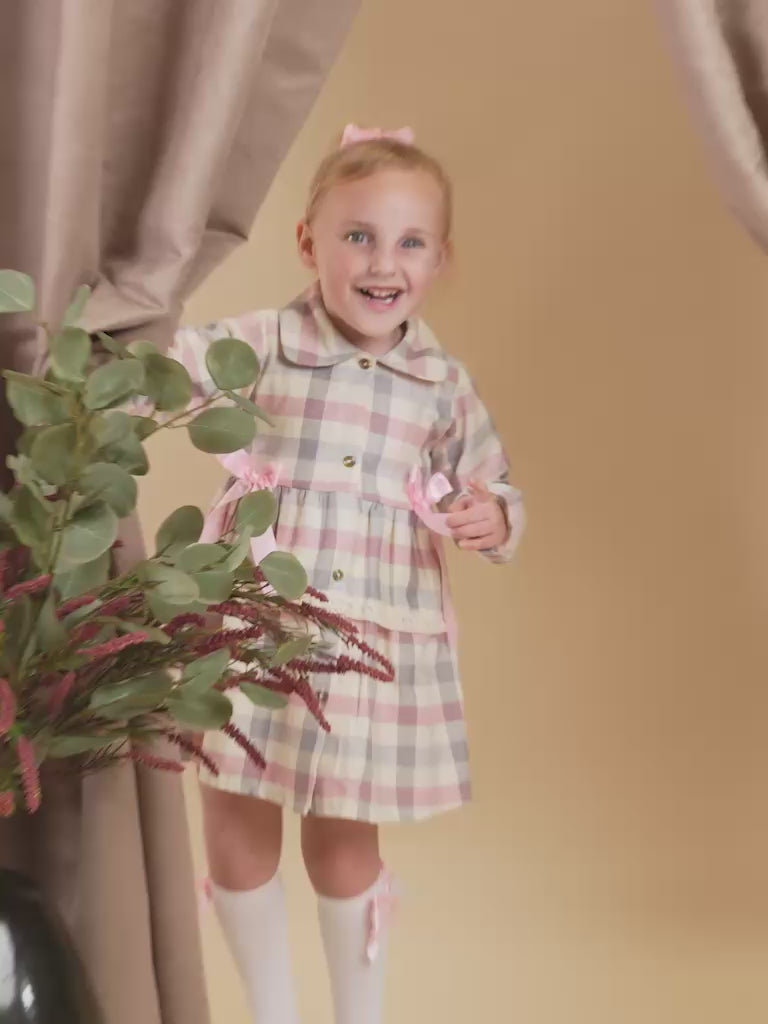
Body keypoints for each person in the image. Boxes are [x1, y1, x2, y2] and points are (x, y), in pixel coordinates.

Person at [170, 123, 526, 1024]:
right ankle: (271, 1010)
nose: (382, 263)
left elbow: (491, 480)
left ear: (441, 259)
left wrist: (490, 514)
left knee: (342, 839)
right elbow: (166, 371)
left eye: (410, 242)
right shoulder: (263, 343)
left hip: (368, 629)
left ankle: (358, 1014)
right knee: (236, 815)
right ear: (309, 243)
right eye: (358, 236)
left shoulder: (440, 382)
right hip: (257, 612)